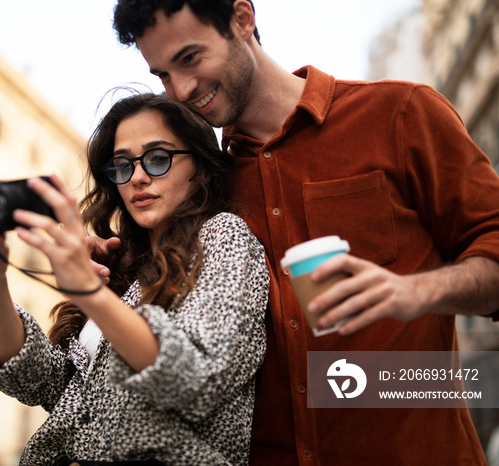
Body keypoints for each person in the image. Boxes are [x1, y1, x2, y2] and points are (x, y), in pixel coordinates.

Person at [109, 1, 499, 465]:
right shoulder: (201, 183)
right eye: (163, 75)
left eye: (190, 58)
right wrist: (115, 272)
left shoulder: (400, 114)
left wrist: (415, 292)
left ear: (242, 19)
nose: (183, 89)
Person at [0, 93, 269, 465]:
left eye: (158, 158)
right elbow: (45, 385)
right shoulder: (123, 272)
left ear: (201, 167)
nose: (137, 177)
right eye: (122, 165)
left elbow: (195, 380)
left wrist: (89, 292)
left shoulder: (223, 237)